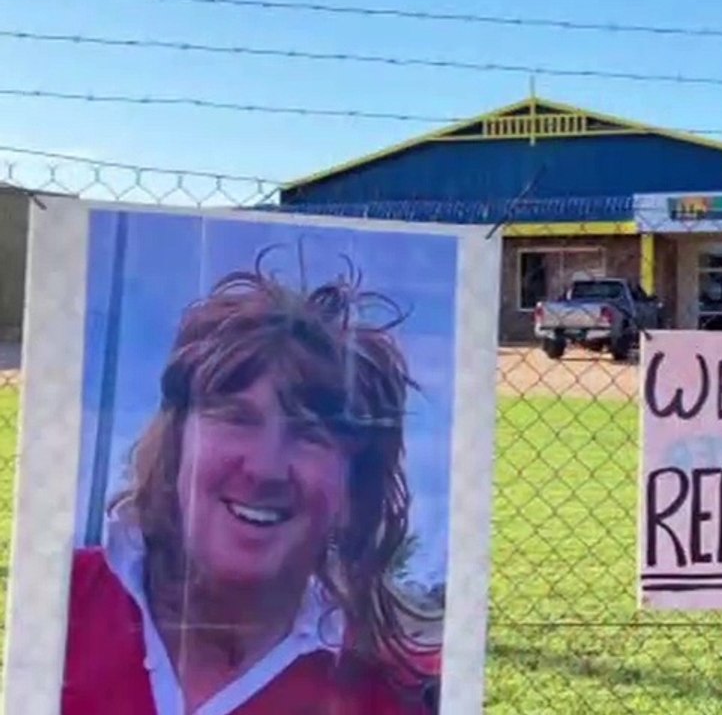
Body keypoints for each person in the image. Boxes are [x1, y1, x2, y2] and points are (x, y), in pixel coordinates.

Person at [60, 250, 441, 714]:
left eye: (311, 435)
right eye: (237, 418)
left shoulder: (388, 697)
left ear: (351, 491)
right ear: (176, 443)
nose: (264, 468)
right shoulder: (61, 604)